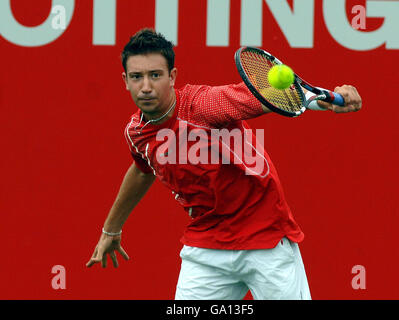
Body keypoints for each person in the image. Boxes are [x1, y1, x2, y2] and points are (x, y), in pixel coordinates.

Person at [86, 28, 362, 300]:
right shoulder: (136, 133)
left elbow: (262, 95)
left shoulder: (203, 106)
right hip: (208, 247)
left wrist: (322, 100)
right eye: (137, 77)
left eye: (155, 75)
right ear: (125, 80)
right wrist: (112, 228)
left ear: (172, 77)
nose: (146, 86)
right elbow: (143, 168)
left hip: (265, 238)